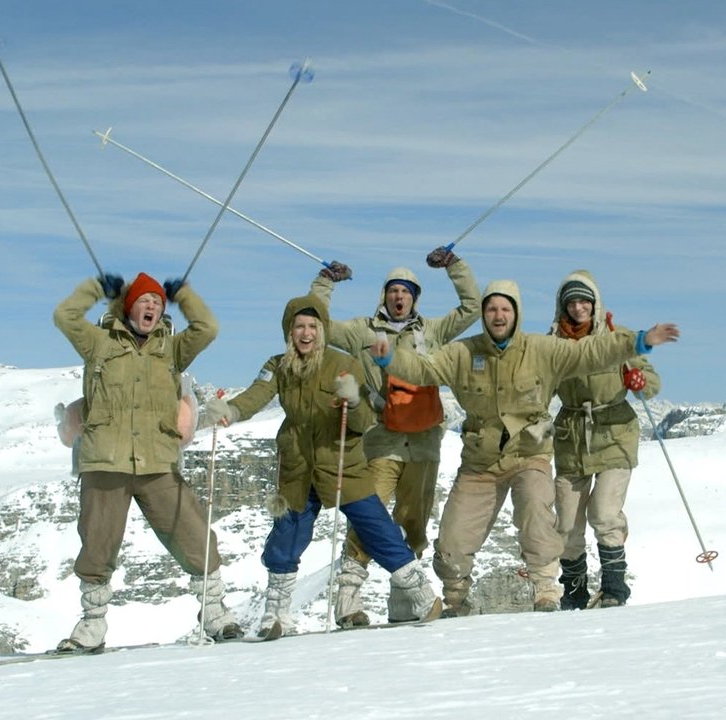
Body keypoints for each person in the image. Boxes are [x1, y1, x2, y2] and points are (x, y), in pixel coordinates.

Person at [369, 279, 680, 615]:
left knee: (538, 515)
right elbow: (424, 368)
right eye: (491, 309)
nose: (498, 315)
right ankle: (457, 599)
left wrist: (639, 341)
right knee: (452, 543)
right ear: (484, 315)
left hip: (529, 454)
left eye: (505, 308)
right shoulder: (463, 352)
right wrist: (391, 361)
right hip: (480, 462)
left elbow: (590, 352)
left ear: (516, 313)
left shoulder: (541, 350)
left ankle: (547, 591)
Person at [203, 294, 441, 638]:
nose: (306, 333)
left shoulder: (343, 363)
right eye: (299, 326)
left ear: (323, 330)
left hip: (342, 461)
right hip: (299, 466)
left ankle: (419, 594)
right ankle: (277, 613)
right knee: (287, 535)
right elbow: (257, 393)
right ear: (289, 331)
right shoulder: (277, 365)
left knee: (375, 525)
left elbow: (362, 422)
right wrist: (233, 411)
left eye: (313, 326)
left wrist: (354, 399)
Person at [53, 272, 242, 651]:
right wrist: (95, 289)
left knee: (194, 537)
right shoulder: (99, 343)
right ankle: (92, 627)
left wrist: (184, 295)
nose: (151, 306)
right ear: (127, 306)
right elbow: (65, 317)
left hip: (158, 462)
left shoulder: (171, 350)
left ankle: (216, 614)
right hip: (105, 462)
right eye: (143, 300)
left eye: (157, 301)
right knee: (97, 547)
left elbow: (207, 328)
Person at [309, 247, 479, 623]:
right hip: (381, 439)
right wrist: (325, 283)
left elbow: (472, 308)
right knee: (369, 516)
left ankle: (405, 603)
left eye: (406, 291)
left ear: (415, 298)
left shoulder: (431, 331)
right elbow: (317, 324)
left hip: (424, 443)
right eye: (393, 290)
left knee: (413, 519)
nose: (399, 297)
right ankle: (348, 601)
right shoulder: (362, 331)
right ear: (384, 296)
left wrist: (455, 267)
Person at [549, 271, 660, 609]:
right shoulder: (551, 343)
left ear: (595, 304)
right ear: (562, 306)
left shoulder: (618, 337)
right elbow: (538, 385)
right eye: (572, 301)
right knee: (567, 522)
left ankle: (614, 588)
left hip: (614, 432)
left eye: (585, 301)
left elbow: (651, 382)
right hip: (572, 436)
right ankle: (575, 591)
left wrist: (639, 381)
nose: (579, 307)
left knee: (604, 511)